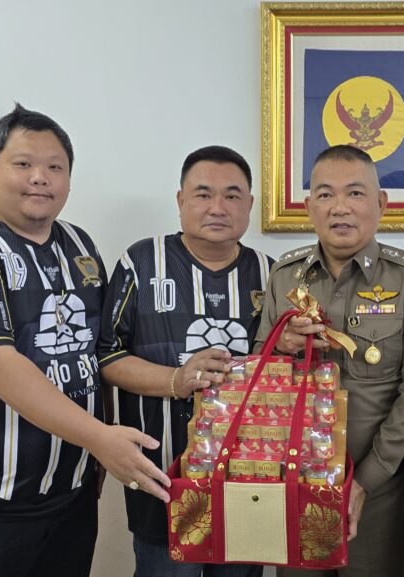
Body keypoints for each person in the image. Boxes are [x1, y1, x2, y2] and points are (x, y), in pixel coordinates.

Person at [0, 103, 169, 577]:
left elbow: (94, 353)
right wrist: (100, 439)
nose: (40, 178)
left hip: (69, 495)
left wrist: (96, 451)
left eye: (55, 167)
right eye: (23, 164)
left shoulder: (79, 246)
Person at [255, 145, 404, 577]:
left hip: (378, 489)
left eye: (355, 193)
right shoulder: (285, 275)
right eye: (325, 194)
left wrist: (367, 479)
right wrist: (282, 346)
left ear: (381, 203)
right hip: (294, 482)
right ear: (309, 207)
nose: (339, 207)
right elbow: (260, 376)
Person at [98, 145, 271, 577]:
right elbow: (106, 355)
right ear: (180, 200)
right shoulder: (141, 262)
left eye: (232, 195)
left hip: (251, 478)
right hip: (163, 477)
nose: (217, 207)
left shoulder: (272, 274)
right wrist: (177, 378)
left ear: (250, 204)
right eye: (203, 194)